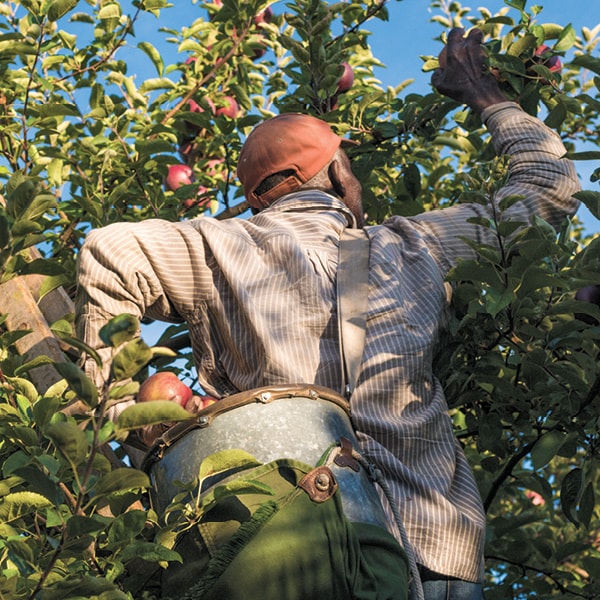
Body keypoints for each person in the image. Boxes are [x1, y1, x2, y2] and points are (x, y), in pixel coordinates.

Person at [75, 27, 580, 600]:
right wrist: (485, 94)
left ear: (258, 196)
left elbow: (108, 251)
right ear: (341, 174)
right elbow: (548, 190)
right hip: (432, 547)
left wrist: (126, 424)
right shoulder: (414, 246)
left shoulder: (215, 247)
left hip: (285, 540)